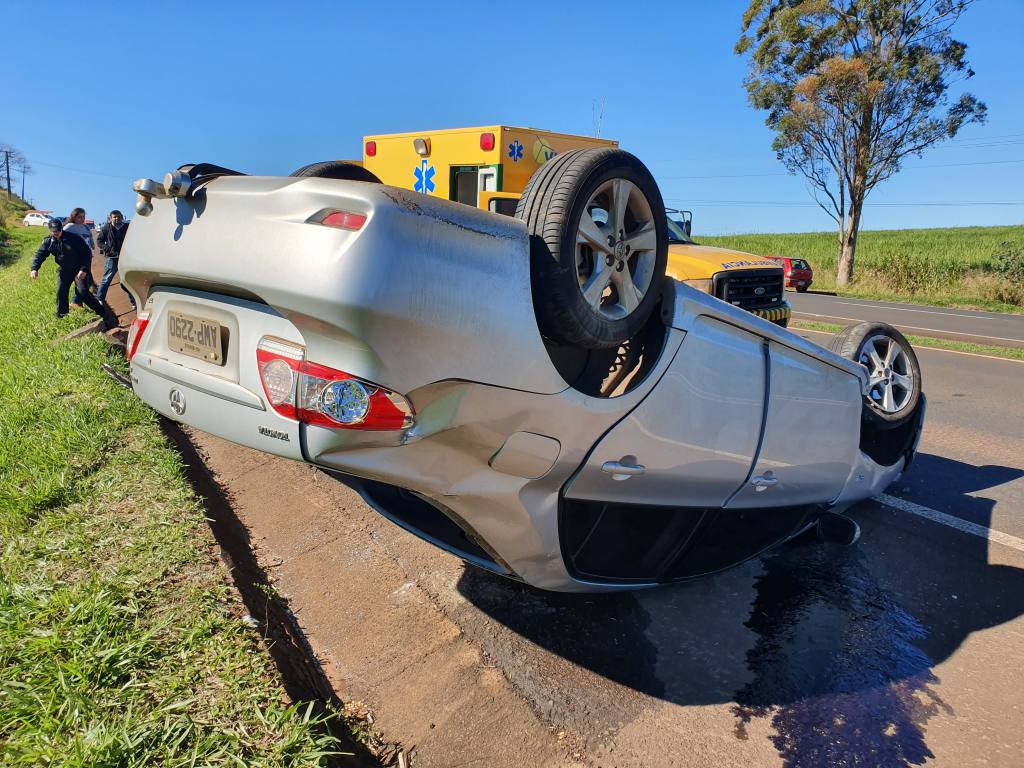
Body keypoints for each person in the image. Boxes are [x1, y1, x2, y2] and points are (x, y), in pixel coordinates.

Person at [30, 219, 118, 330]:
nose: (56, 233)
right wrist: (34, 269)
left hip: (79, 269)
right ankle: (62, 317)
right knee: (61, 291)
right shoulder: (49, 241)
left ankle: (104, 314)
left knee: (83, 292)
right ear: (50, 230)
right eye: (54, 231)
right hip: (64, 270)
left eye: (58, 230)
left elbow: (86, 254)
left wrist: (84, 269)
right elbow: (40, 254)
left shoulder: (73, 238)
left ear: (61, 229)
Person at [96, 209, 133, 307]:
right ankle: (99, 299)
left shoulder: (127, 227)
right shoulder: (106, 228)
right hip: (111, 258)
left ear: (122, 217)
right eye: (114, 217)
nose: (117, 218)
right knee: (106, 279)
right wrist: (107, 249)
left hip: (125, 258)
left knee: (127, 280)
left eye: (119, 216)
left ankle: (133, 302)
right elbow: (99, 241)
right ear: (110, 218)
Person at [63, 207, 97, 307]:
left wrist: (92, 246)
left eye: (83, 216)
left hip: (87, 256)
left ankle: (77, 302)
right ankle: (76, 302)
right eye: (79, 217)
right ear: (74, 217)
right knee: (81, 279)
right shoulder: (70, 226)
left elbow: (90, 237)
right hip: (77, 257)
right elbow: (60, 235)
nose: (82, 219)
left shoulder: (85, 227)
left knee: (86, 279)